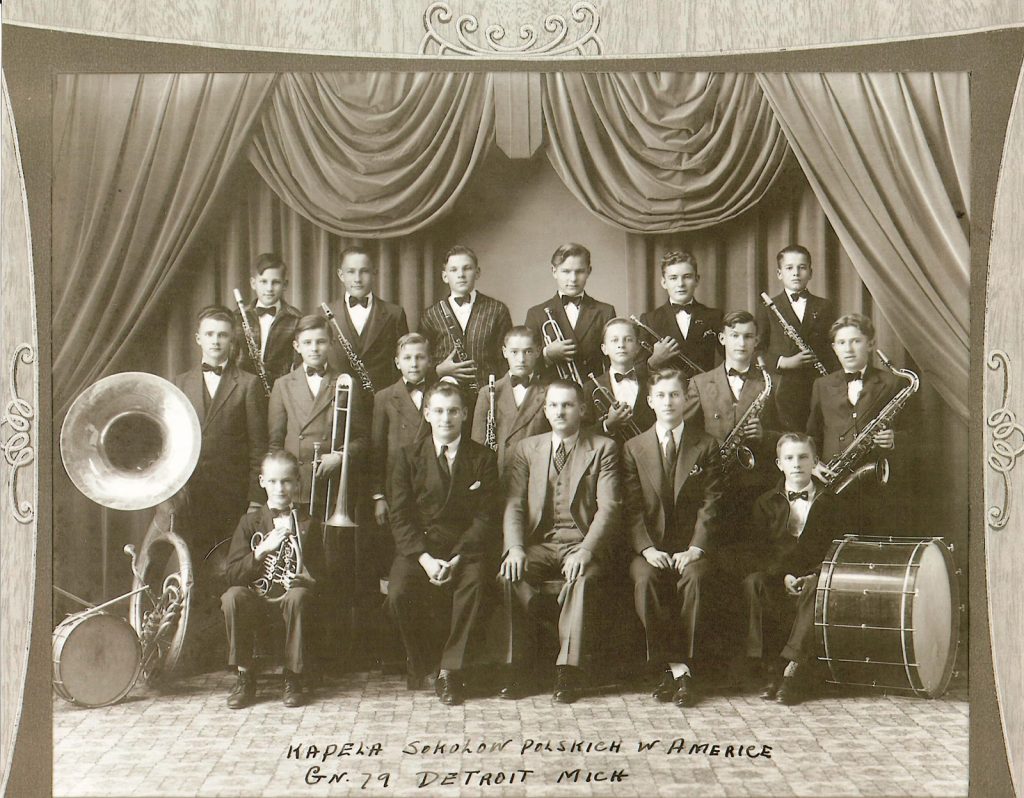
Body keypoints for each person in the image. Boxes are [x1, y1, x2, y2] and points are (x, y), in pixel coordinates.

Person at [500, 380, 621, 704]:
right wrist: (515, 548)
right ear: (545, 410)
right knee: (509, 574)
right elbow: (514, 504)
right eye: (553, 405)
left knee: (582, 579)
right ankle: (520, 668)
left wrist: (584, 551)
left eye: (567, 405)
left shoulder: (603, 447)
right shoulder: (527, 448)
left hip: (581, 542)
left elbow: (609, 508)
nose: (559, 411)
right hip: (541, 543)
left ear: (582, 409)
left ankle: (568, 670)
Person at [386, 382, 500, 706]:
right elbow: (400, 516)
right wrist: (425, 560)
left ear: (465, 414)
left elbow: (485, 517)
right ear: (427, 413)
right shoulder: (407, 457)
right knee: (398, 593)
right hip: (420, 549)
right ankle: (427, 662)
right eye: (438, 411)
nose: (446, 418)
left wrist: (457, 559)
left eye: (452, 411)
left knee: (474, 584)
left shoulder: (484, 457)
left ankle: (450, 672)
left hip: (465, 549)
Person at [268, 314, 371, 664]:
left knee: (330, 569)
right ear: (297, 346)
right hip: (296, 492)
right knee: (294, 569)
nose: (315, 348)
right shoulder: (283, 385)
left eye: (321, 342)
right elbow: (274, 442)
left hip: (331, 491)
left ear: (329, 345)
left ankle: (331, 653)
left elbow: (361, 439)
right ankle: (297, 652)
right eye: (308, 342)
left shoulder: (346, 382)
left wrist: (339, 457)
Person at [623, 368, 723, 708]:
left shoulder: (706, 444)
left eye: (675, 395)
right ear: (650, 401)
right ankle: (677, 669)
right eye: (661, 395)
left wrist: (696, 548)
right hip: (650, 548)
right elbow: (632, 507)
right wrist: (647, 548)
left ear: (687, 400)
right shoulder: (633, 448)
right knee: (645, 580)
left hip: (691, 546)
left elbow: (712, 504)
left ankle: (681, 669)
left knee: (695, 579)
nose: (668, 402)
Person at [743, 433, 845, 705]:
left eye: (803, 457)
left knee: (818, 585)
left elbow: (839, 550)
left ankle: (790, 671)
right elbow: (758, 551)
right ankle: (769, 668)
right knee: (754, 581)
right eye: (789, 458)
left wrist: (814, 573)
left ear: (815, 462)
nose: (797, 464)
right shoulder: (765, 503)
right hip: (778, 575)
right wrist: (784, 575)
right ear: (779, 464)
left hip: (815, 576)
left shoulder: (832, 502)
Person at [220, 450, 325, 709]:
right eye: (274, 481)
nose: (280, 488)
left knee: (298, 595)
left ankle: (293, 677)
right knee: (232, 596)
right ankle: (245, 677)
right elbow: (232, 574)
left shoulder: (308, 523)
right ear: (262, 481)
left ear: (297, 483)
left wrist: (305, 579)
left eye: (287, 481)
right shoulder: (249, 522)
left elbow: (322, 577)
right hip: (256, 599)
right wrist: (261, 551)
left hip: (289, 599)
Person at [173, 305, 267, 561]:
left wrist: (256, 499)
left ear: (232, 339)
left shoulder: (248, 384)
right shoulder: (179, 384)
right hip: (190, 494)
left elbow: (259, 447)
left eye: (223, 335)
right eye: (210, 334)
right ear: (198, 338)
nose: (216, 340)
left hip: (232, 495)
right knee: (193, 563)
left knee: (229, 563)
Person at [684, 310, 780, 546]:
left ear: (756, 341)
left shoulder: (771, 382)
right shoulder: (700, 382)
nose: (741, 342)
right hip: (714, 485)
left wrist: (765, 435)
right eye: (735, 335)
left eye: (748, 336)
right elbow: (686, 433)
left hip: (756, 488)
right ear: (722, 338)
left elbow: (791, 434)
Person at [806, 313, 905, 533]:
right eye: (842, 343)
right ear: (834, 348)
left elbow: (917, 432)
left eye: (855, 341)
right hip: (834, 481)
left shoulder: (892, 383)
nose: (848, 349)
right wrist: (813, 464)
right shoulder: (821, 385)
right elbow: (812, 434)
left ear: (870, 344)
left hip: (877, 484)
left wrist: (894, 438)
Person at [418, 245, 513, 426]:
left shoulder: (497, 310)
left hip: (487, 400)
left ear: (477, 272)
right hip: (446, 402)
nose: (461, 274)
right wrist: (438, 371)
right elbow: (420, 361)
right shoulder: (431, 314)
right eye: (454, 270)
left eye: (467, 268)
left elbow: (505, 360)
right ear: (445, 276)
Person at [755, 245, 838, 431]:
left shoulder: (825, 306)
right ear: (779, 273)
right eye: (789, 268)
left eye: (802, 267)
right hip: (783, 390)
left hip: (818, 385)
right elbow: (757, 351)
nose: (796, 273)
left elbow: (833, 348)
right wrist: (783, 362)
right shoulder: (768, 308)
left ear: (811, 272)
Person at [322, 246, 410, 394]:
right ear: (340, 275)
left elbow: (404, 362)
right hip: (338, 400)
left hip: (382, 400)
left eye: (364, 271)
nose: (357, 279)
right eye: (351, 272)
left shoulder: (394, 314)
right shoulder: (324, 314)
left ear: (374, 273)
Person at [525, 243, 616, 383]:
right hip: (551, 396)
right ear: (554, 271)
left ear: (589, 271)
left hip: (591, 393)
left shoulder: (605, 312)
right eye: (566, 271)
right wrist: (547, 354)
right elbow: (524, 364)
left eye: (579, 271)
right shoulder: (536, 314)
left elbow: (613, 362)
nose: (573, 279)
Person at [470, 326, 549, 479]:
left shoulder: (549, 393)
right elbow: (477, 446)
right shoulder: (487, 393)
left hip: (535, 476)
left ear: (538, 351)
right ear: (504, 352)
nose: (521, 359)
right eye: (514, 352)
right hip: (497, 478)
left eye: (528, 351)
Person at [637, 251, 722, 375]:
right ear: (664, 283)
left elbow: (730, 360)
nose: (680, 284)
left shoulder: (714, 316)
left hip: (704, 392)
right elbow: (638, 372)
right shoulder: (649, 320)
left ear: (697, 280)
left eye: (687, 277)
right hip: (667, 392)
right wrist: (655, 360)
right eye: (673, 278)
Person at [232, 252, 302, 390]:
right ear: (253, 283)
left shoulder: (296, 318)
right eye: (263, 282)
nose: (269, 288)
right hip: (242, 390)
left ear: (285, 285)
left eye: (275, 282)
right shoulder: (238, 317)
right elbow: (230, 360)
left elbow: (298, 364)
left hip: (279, 390)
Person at [582, 317, 654, 442]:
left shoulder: (653, 382)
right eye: (614, 340)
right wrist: (608, 424)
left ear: (637, 347)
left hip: (647, 457)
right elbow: (582, 434)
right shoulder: (590, 387)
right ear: (604, 349)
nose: (621, 345)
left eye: (628, 340)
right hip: (608, 459)